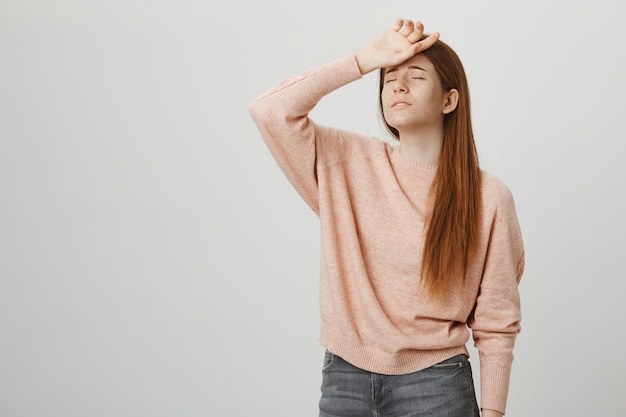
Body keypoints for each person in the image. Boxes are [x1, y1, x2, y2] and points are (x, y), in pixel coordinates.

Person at [249, 18, 524, 417]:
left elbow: (497, 319)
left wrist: (494, 412)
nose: (397, 84)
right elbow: (269, 110)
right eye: (389, 77)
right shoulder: (345, 161)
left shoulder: (488, 196)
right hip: (345, 378)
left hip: (437, 384)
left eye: (415, 75)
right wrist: (362, 61)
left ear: (449, 100)